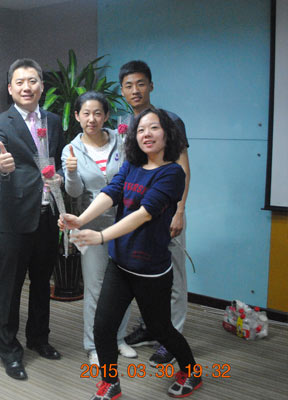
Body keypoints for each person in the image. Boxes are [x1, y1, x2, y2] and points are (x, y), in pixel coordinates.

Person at [60, 108, 202, 399]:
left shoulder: (172, 173)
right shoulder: (132, 165)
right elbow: (111, 192)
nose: (146, 134)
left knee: (161, 329)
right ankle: (110, 383)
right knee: (103, 327)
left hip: (150, 270)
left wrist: (100, 236)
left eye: (154, 128)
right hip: (121, 264)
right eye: (140, 130)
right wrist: (81, 219)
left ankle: (191, 370)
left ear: (168, 134)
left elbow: (144, 213)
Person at [0, 58, 65, 380]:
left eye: (32, 81)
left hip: (48, 215)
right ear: (10, 88)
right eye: (20, 82)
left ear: (42, 86)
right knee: (9, 287)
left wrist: (61, 176)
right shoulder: (0, 122)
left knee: (42, 284)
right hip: (16, 217)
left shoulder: (54, 121)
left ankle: (38, 338)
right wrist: (1, 167)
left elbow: (59, 160)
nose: (26, 87)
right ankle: (9, 351)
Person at [119, 60, 191, 367]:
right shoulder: (125, 123)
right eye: (128, 85)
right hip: (137, 215)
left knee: (173, 276)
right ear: (122, 91)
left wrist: (180, 210)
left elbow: (183, 167)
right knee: (143, 275)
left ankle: (172, 338)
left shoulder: (169, 120)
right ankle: (151, 327)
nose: (135, 90)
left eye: (140, 84)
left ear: (151, 86)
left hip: (166, 214)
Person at [62, 92, 136, 366]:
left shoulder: (123, 141)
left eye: (97, 113)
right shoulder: (71, 149)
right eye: (85, 113)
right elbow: (74, 192)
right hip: (91, 226)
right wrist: (71, 172)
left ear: (106, 116)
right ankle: (94, 344)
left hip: (124, 223)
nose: (91, 119)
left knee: (124, 286)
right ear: (77, 116)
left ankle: (118, 339)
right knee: (95, 287)